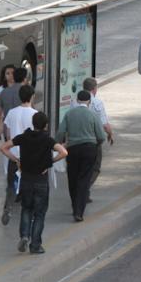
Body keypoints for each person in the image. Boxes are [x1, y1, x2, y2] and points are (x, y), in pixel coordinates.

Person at [0, 112, 67, 254]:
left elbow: (3, 148)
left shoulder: (24, 137)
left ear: (33, 123)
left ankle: (24, 236)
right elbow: (63, 152)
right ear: (46, 125)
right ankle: (35, 245)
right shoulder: (47, 139)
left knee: (26, 209)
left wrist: (16, 160)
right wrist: (49, 163)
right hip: (41, 181)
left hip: (26, 180)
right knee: (40, 213)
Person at [55, 91, 106, 222]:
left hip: (73, 149)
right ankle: (79, 211)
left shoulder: (69, 114)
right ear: (89, 101)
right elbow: (101, 136)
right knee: (84, 179)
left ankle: (74, 206)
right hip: (89, 149)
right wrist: (96, 144)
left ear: (77, 100)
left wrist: (59, 143)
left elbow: (61, 132)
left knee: (72, 178)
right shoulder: (93, 115)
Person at [0, 85, 38, 225]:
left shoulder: (11, 113)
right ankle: (28, 212)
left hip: (14, 155)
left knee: (11, 183)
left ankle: (8, 207)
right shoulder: (35, 114)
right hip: (29, 157)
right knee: (29, 185)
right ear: (32, 96)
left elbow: (8, 134)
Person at [82, 78, 113, 196]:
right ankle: (84, 188)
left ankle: (82, 188)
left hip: (77, 140)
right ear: (94, 89)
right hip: (93, 141)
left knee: (81, 167)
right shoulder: (97, 103)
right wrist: (110, 134)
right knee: (95, 167)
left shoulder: (75, 102)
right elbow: (104, 124)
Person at [0, 64, 16, 140]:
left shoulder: (21, 87)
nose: (11, 75)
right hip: (7, 122)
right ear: (4, 76)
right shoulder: (0, 91)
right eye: (8, 73)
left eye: (12, 73)